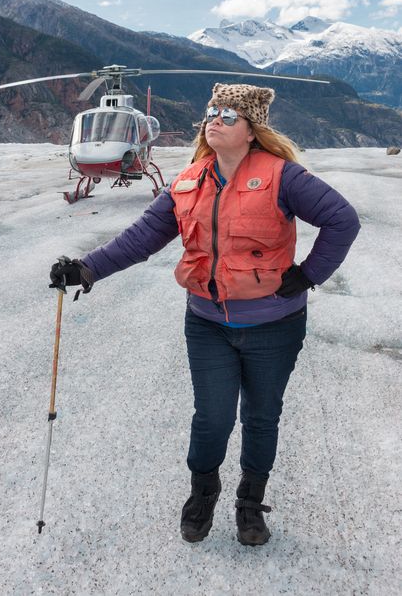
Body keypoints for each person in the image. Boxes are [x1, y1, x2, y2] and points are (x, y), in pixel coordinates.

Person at [50, 82, 361, 547]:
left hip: (274, 325)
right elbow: (141, 238)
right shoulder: (189, 180)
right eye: (212, 112)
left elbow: (343, 219)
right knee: (213, 417)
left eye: (228, 115)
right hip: (208, 323)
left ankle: (250, 502)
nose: (214, 119)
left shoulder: (283, 177)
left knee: (261, 416)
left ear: (252, 130)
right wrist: (87, 268)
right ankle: (203, 493)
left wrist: (310, 273)